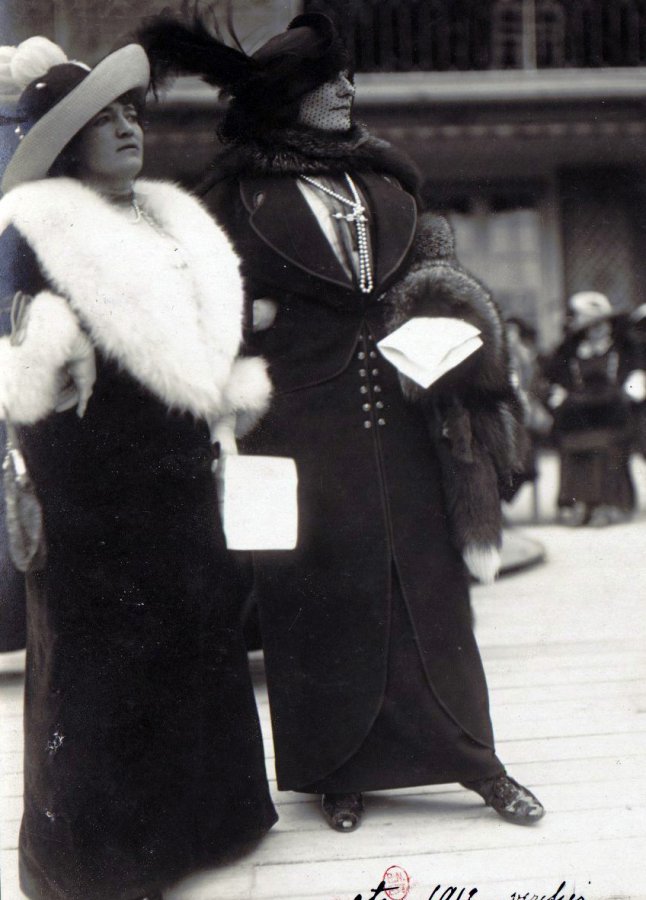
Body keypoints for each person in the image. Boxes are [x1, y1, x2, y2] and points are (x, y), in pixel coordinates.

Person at [139, 11, 544, 832]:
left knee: (430, 591)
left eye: (347, 77)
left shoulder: (390, 180)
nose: (348, 90)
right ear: (290, 96)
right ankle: (338, 770)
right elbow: (199, 311)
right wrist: (242, 327)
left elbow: (437, 276)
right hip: (297, 423)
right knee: (317, 596)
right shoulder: (232, 196)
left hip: (406, 414)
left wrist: (448, 328)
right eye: (330, 81)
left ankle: (477, 762)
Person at [0, 36, 277, 900]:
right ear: (62, 141)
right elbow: (4, 316)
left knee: (196, 634)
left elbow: (204, 327)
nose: (126, 128)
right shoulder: (34, 221)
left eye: (129, 112)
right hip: (88, 475)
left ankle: (210, 825)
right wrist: (41, 323)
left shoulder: (168, 213)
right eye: (100, 120)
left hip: (178, 464)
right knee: (103, 662)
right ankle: (105, 860)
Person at [546, 291, 636, 527]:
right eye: (593, 325)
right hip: (581, 417)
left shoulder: (624, 352)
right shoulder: (571, 355)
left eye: (603, 324)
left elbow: (632, 384)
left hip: (612, 417)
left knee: (606, 443)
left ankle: (608, 504)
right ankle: (579, 503)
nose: (600, 329)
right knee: (574, 441)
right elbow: (556, 384)